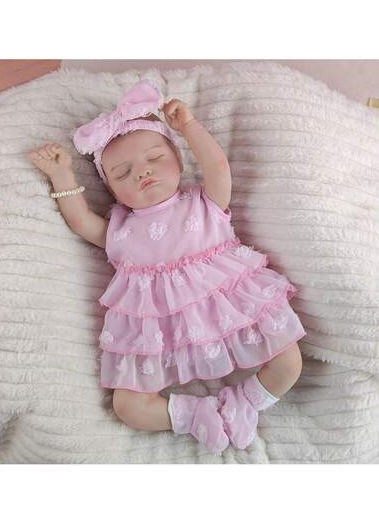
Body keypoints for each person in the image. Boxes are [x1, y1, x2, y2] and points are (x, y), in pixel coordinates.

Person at [27, 79, 307, 456]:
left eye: (155, 158)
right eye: (122, 173)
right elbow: (81, 222)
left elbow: (217, 165)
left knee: (289, 361)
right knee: (128, 407)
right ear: (112, 190)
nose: (142, 172)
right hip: (160, 328)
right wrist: (62, 175)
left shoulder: (205, 203)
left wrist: (188, 126)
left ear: (178, 159)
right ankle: (195, 414)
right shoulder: (120, 229)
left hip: (227, 306)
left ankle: (244, 403)